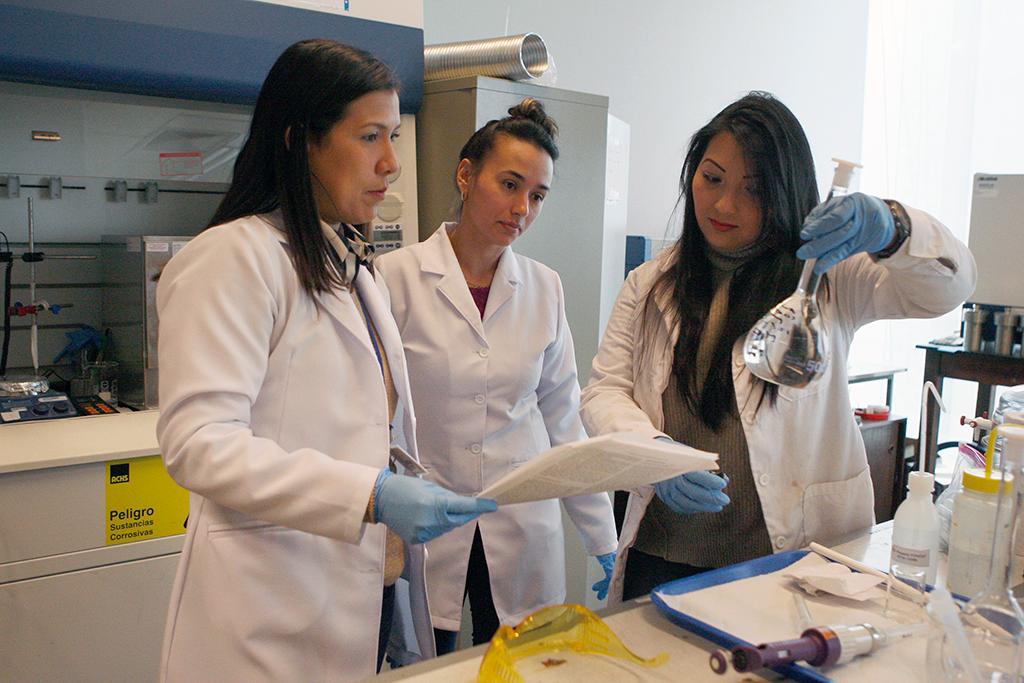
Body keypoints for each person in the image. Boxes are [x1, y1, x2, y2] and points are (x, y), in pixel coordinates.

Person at [154, 39, 496, 682]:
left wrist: (398, 483)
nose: (391, 162)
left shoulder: (350, 267)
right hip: (269, 614)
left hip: (361, 598)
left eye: (393, 136)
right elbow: (199, 444)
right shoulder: (233, 258)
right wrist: (371, 494)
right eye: (369, 137)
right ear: (299, 141)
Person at [580, 92, 976, 603]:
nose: (724, 205)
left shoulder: (831, 277)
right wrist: (655, 453)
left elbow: (947, 288)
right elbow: (605, 390)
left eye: (754, 190)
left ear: (786, 194)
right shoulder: (650, 282)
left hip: (784, 565)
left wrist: (893, 228)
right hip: (663, 558)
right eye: (712, 178)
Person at [376, 98, 619, 652]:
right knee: (430, 662)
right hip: (428, 517)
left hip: (520, 523)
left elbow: (563, 421)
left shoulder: (544, 287)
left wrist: (602, 536)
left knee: (521, 666)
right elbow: (375, 416)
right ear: (466, 175)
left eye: (537, 195)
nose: (521, 208)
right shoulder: (395, 278)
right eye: (509, 185)